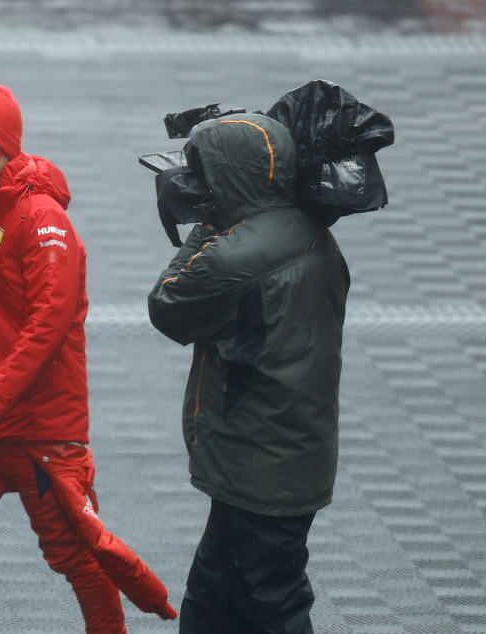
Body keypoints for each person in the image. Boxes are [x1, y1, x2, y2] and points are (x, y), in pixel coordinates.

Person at [0, 84, 176, 633]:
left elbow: (48, 327)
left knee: (73, 554)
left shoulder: (43, 219)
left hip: (36, 426)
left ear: (7, 147)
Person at [147, 112, 350, 633]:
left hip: (258, 464)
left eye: (204, 171)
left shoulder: (237, 252)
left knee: (269, 603)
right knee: (215, 595)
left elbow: (169, 305)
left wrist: (207, 226)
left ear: (230, 175)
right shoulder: (308, 230)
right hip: (282, 455)